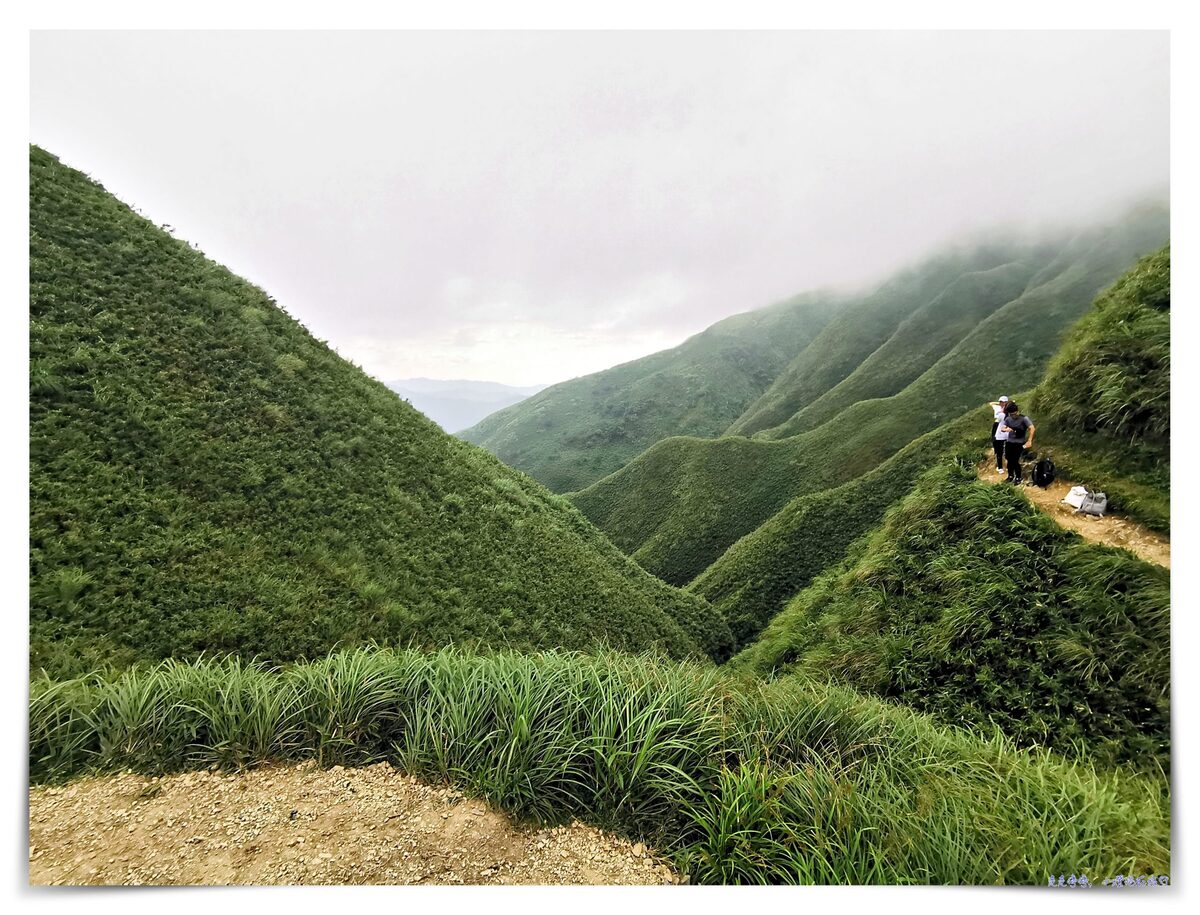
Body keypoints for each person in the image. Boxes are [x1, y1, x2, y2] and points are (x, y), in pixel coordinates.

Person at [1000, 402, 1035, 484]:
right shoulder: (1008, 419)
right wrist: (1006, 429)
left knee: (1015, 460)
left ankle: (1018, 477)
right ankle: (1010, 476)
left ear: (1017, 411)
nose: (1013, 416)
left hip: (1019, 442)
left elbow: (1032, 428)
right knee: (1009, 459)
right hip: (1010, 442)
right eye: (1011, 414)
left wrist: (1029, 440)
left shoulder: (1024, 419)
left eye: (1014, 414)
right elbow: (1003, 427)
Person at [987, 395, 1010, 474]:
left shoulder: (1009, 410)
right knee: (997, 445)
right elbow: (991, 403)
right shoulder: (997, 408)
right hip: (997, 424)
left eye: (1003, 402)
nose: (1002, 403)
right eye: (1001, 402)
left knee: (1007, 447)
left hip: (1006, 426)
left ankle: (1007, 465)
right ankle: (999, 466)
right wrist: (999, 404)